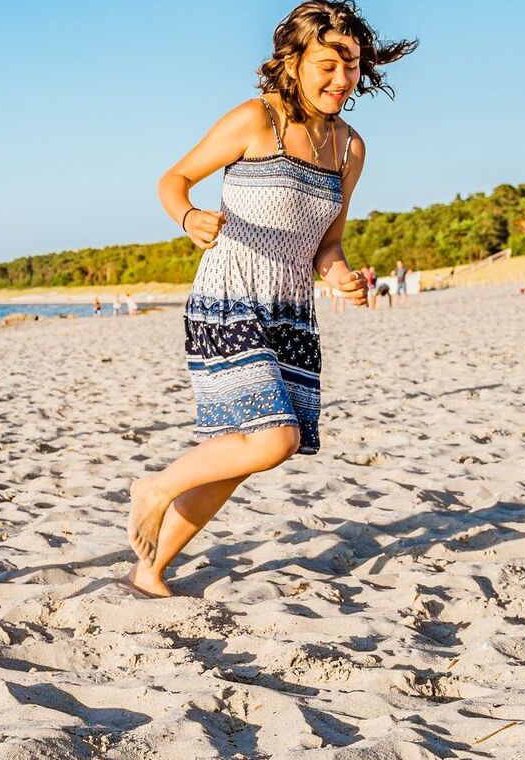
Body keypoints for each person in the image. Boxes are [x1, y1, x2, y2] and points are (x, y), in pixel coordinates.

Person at [131, 0, 411, 596]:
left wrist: (339, 276)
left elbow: (328, 242)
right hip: (228, 298)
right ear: (295, 61)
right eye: (328, 65)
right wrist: (188, 218)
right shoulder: (257, 121)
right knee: (272, 440)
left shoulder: (349, 149)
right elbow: (172, 179)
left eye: (352, 65)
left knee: (238, 452)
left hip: (289, 313)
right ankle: (153, 487)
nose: (342, 79)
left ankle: (149, 567)